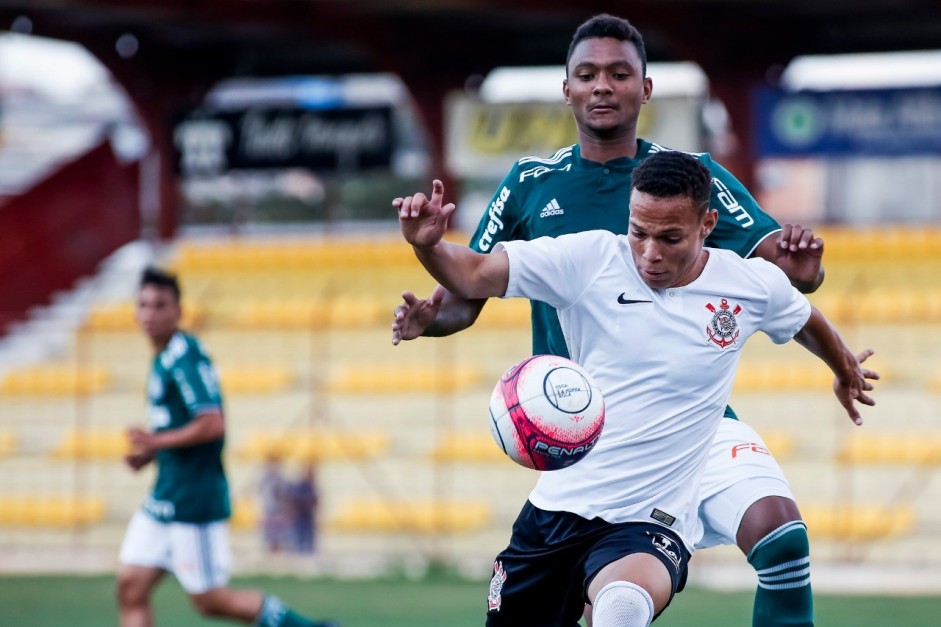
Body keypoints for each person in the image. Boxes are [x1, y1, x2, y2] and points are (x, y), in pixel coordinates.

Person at [392, 13, 827, 627]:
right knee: (601, 602)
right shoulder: (529, 184)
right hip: (588, 436)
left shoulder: (688, 178)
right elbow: (467, 298)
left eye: (620, 73)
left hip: (694, 424)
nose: (603, 86)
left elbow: (784, 275)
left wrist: (806, 269)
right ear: (566, 88)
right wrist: (429, 319)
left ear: (644, 89)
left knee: (782, 539)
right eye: (588, 74)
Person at [117, 267, 338, 627]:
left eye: (160, 305)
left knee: (210, 600)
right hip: (164, 495)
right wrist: (152, 452)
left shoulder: (183, 356)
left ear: (178, 311)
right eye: (143, 305)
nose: (149, 314)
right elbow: (178, 424)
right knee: (131, 585)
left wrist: (156, 441)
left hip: (193, 500)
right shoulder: (163, 357)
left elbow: (211, 423)